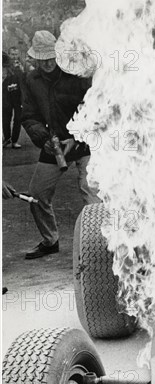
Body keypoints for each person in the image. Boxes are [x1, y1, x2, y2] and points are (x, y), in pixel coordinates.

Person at [21, 30, 99, 259]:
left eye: (50, 57)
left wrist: (75, 138)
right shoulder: (31, 80)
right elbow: (29, 116)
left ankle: (97, 245)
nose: (47, 63)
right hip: (53, 145)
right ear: (35, 58)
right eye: (41, 58)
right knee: (36, 195)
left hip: (84, 141)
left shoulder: (76, 73)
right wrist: (44, 140)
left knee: (91, 194)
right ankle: (50, 240)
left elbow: (93, 109)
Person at [2, 52, 22, 149]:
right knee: (5, 119)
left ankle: (14, 141)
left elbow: (21, 84)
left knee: (18, 119)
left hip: (16, 96)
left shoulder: (15, 71)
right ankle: (7, 138)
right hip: (5, 98)